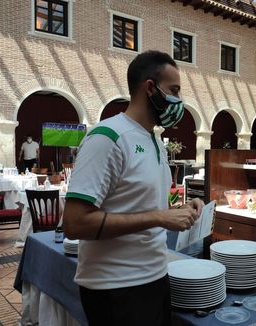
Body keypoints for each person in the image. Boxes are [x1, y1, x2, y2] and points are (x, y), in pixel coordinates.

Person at [63, 50, 204, 326]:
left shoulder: (155, 142)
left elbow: (143, 208)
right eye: (173, 90)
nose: (179, 101)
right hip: (115, 289)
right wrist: (159, 217)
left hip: (155, 277)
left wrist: (180, 210)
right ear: (150, 88)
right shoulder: (107, 137)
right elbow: (74, 223)